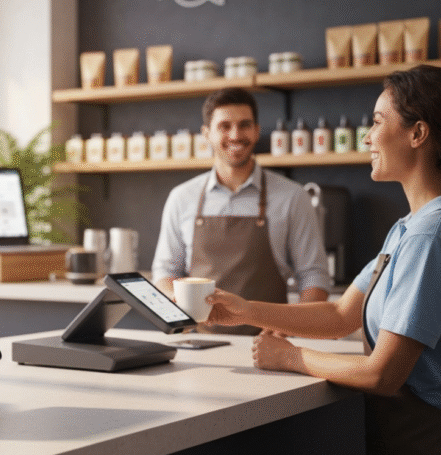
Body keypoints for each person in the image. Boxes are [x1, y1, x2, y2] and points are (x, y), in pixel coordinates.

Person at [206, 64, 441, 454]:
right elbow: (340, 317)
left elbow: (380, 374)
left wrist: (292, 357)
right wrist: (246, 311)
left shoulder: (427, 235)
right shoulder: (406, 228)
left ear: (417, 133)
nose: (367, 137)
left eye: (379, 121)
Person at [152, 87, 330, 334]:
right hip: (199, 345)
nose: (235, 135)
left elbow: (314, 275)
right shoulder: (182, 198)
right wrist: (179, 305)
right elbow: (165, 271)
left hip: (270, 343)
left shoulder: (292, 197)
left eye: (244, 125)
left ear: (256, 132)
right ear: (206, 134)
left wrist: (289, 331)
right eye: (224, 126)